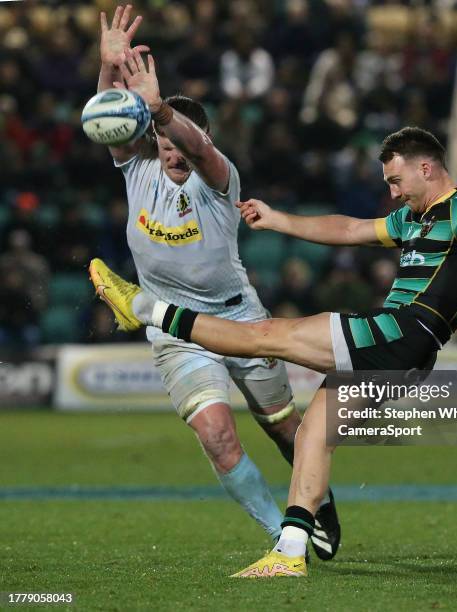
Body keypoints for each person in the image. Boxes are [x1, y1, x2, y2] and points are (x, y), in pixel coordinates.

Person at [91, 120, 457, 578]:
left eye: (396, 180)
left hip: (403, 331)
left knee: (266, 336)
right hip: (407, 353)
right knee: (313, 434)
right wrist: (278, 220)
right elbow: (348, 230)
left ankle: (146, 309)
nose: (393, 192)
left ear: (427, 168)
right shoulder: (411, 218)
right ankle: (291, 549)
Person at [92, 5, 340, 559]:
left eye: (177, 139)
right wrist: (108, 69)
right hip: (176, 328)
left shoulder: (217, 178)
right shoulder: (138, 170)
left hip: (239, 317)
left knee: (282, 426)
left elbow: (201, 151)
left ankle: (319, 501)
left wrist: (158, 109)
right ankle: (284, 533)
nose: (172, 152)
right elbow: (107, 115)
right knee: (217, 436)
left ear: (199, 133)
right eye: (163, 143)